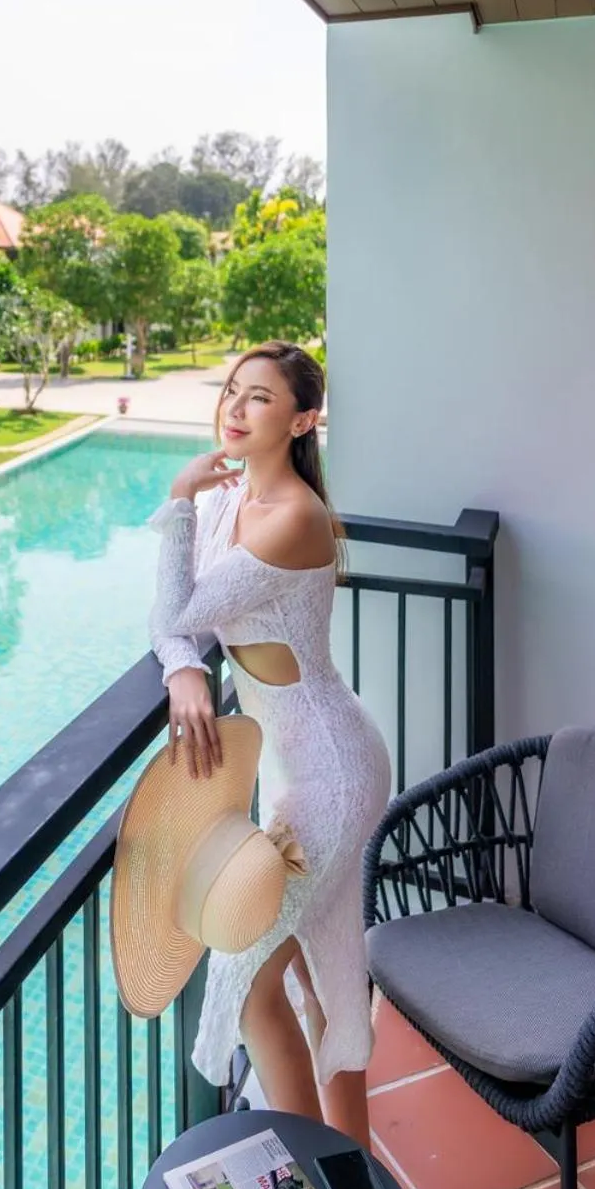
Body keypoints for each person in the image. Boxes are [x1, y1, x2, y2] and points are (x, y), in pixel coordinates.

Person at [147, 341, 390, 1143]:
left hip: (334, 778)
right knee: (323, 979)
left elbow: (177, 608)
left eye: (259, 396)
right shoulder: (236, 502)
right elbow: (173, 626)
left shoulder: (293, 517)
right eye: (231, 390)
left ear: (302, 419)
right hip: (299, 771)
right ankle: (355, 1170)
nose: (235, 407)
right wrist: (184, 669)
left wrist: (179, 499)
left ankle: (313, 1183)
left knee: (250, 981)